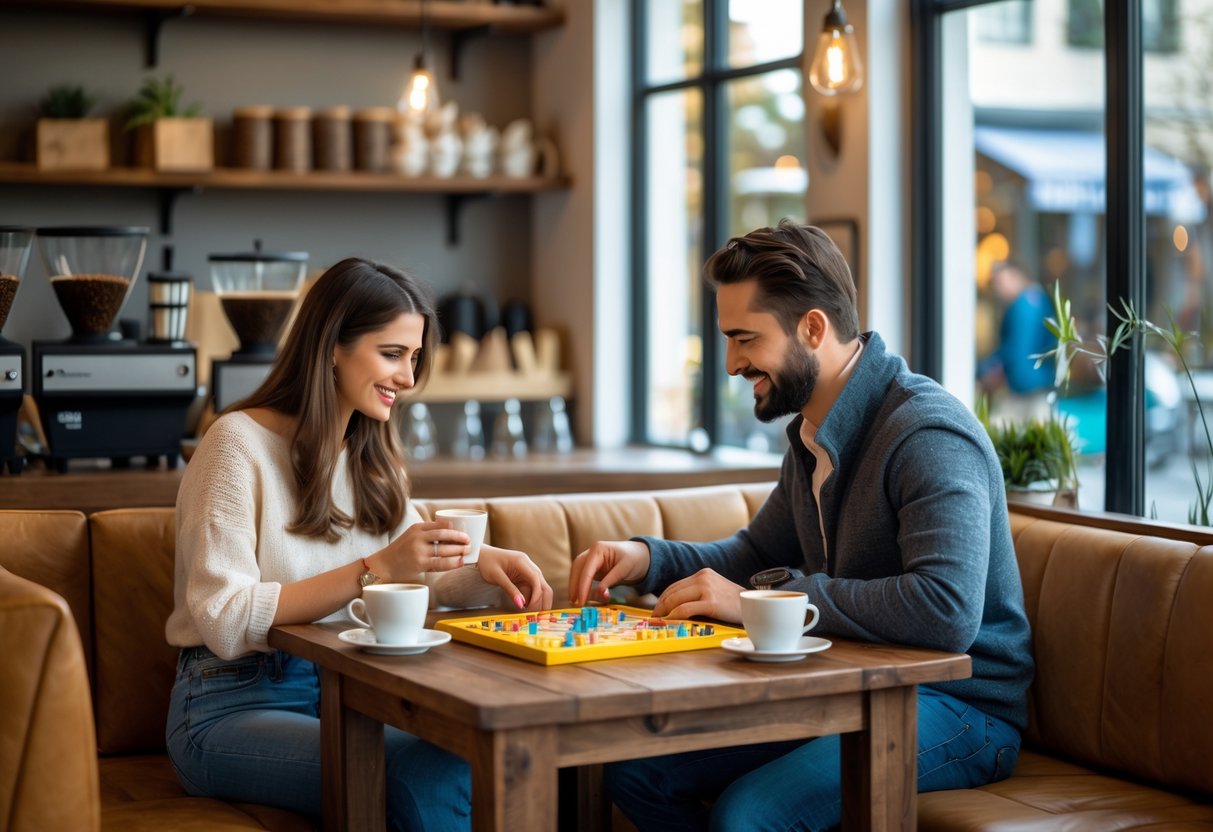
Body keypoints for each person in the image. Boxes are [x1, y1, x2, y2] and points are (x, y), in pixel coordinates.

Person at [568, 221, 1034, 832]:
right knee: (631, 770)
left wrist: (766, 601)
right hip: (854, 685)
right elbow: (755, 552)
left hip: (964, 706)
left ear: (813, 328)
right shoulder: (813, 433)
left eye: (745, 339)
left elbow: (945, 611)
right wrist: (646, 559)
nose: (732, 362)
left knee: (748, 814)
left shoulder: (928, 433)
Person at [165, 257, 553, 831]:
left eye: (415, 358)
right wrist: (375, 566)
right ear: (330, 347)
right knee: (425, 775)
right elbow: (224, 619)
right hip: (231, 703)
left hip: (350, 691)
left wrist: (484, 562)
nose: (408, 378)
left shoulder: (373, 456)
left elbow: (417, 575)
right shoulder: (235, 445)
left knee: (477, 754)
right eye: (392, 354)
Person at [977, 258, 1055, 420]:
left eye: (1000, 282)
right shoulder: (1038, 299)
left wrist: (985, 372)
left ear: (1016, 276)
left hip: (1026, 390)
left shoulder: (1024, 305)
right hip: (1039, 385)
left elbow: (1015, 351)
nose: (998, 289)